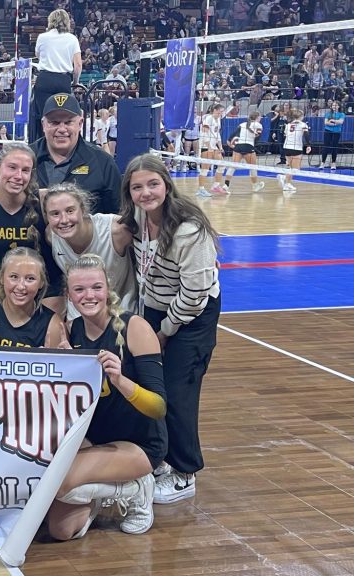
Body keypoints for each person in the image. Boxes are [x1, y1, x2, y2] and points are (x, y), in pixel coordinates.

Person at [120, 154, 221, 505]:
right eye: (137, 187)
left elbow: (194, 294)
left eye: (153, 184)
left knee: (179, 393)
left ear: (167, 185)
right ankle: (161, 458)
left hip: (192, 315)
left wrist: (164, 331)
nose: (146, 193)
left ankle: (185, 471)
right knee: (149, 386)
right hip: (155, 307)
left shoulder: (188, 229)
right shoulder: (135, 219)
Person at [50, 253, 165, 540]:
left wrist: (121, 380)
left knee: (59, 481)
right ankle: (104, 492)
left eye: (96, 287)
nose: (88, 296)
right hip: (95, 439)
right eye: (79, 289)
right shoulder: (72, 331)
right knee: (62, 531)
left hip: (139, 442)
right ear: (69, 294)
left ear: (108, 287)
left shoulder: (134, 327)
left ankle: (137, 490)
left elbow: (159, 408)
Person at [0, 142, 62, 309]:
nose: (18, 176)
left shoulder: (45, 200)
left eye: (25, 170)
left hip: (45, 291)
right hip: (0, 288)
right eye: (12, 167)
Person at [44, 182, 136, 317]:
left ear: (83, 210)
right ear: (47, 217)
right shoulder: (51, 236)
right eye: (55, 214)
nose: (63, 220)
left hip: (120, 315)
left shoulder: (117, 231)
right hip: (79, 319)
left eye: (70, 211)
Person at [31, 94, 121, 214]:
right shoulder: (26, 159)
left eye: (68, 122)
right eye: (54, 122)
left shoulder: (102, 162)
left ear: (80, 123)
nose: (62, 129)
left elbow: (118, 216)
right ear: (43, 125)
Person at [0, 247, 64, 348]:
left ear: (41, 283)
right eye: (14, 277)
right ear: (2, 278)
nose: (21, 286)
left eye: (30, 279)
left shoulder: (53, 327)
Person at [31, 9, 81, 141]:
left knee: (44, 116)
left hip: (45, 79)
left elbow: (38, 55)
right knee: (62, 116)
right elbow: (78, 66)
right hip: (62, 80)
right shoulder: (72, 39)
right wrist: (75, 82)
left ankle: (43, 148)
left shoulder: (43, 37)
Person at [224, 111, 265, 193]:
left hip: (238, 146)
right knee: (253, 167)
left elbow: (233, 135)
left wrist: (231, 144)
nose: (260, 119)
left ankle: (226, 185)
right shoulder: (259, 125)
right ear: (257, 118)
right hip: (248, 147)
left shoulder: (242, 124)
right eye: (260, 117)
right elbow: (257, 138)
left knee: (233, 166)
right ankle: (255, 185)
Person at [196, 104, 228, 197]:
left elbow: (217, 134)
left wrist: (220, 147)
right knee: (205, 168)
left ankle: (216, 185)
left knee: (222, 165)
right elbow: (204, 133)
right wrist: (209, 146)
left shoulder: (218, 120)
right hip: (205, 146)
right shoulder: (208, 118)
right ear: (214, 110)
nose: (221, 114)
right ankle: (201, 190)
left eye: (222, 112)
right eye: (220, 112)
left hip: (214, 146)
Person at [278, 108, 311, 195]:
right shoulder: (303, 124)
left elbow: (285, 136)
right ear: (301, 116)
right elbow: (306, 135)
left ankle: (287, 185)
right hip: (296, 148)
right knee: (296, 169)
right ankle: (283, 177)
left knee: (290, 168)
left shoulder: (288, 125)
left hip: (286, 147)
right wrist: (308, 145)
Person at [322, 100, 345, 170]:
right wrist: (333, 123)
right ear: (331, 106)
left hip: (336, 132)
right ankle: (322, 163)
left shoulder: (342, 114)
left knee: (334, 147)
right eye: (333, 105)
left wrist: (333, 121)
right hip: (327, 131)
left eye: (336, 105)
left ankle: (333, 163)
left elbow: (341, 122)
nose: (334, 107)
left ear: (339, 106)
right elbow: (326, 123)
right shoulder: (328, 114)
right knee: (326, 147)